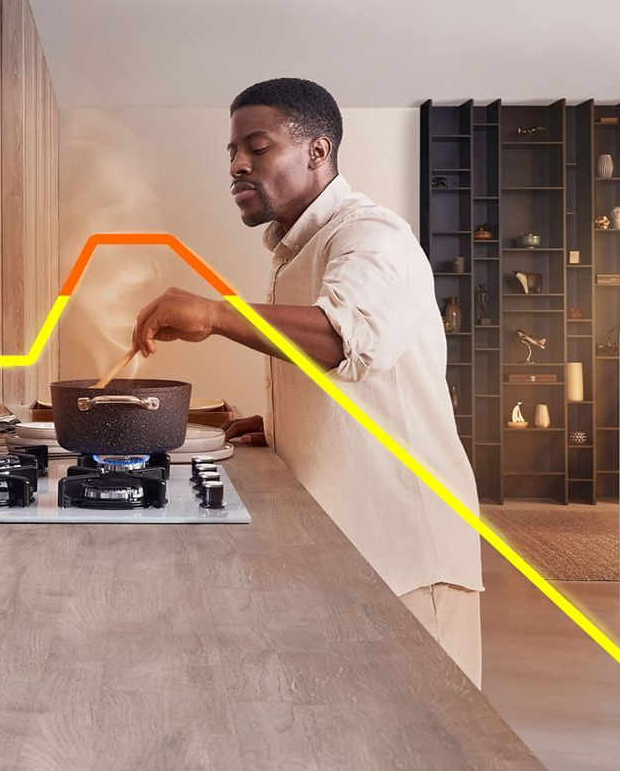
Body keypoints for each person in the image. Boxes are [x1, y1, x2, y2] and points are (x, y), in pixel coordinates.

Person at [130, 78, 483, 687]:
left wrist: (216, 313)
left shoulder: (371, 236)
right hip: (356, 552)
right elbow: (350, 375)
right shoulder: (298, 250)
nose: (237, 164)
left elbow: (340, 339)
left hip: (405, 553)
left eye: (257, 147)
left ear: (318, 151)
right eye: (233, 152)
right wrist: (285, 420)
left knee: (435, 756)